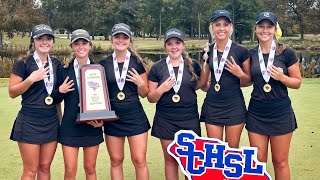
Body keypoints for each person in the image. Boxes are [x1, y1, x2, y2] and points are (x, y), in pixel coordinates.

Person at [246, 12, 301, 180]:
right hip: (257, 113)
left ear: (275, 29)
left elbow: (297, 82)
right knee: (258, 162)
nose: (265, 30)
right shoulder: (251, 54)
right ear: (255, 29)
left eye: (269, 26)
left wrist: (282, 77)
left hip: (281, 113)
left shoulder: (286, 52)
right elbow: (248, 80)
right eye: (261, 26)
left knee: (280, 162)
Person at [147, 28, 201, 180]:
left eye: (177, 43)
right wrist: (162, 89)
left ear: (183, 45)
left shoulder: (194, 65)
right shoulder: (157, 67)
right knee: (170, 159)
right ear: (165, 47)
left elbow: (200, 85)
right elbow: (151, 98)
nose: (174, 47)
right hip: (166, 119)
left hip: (189, 119)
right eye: (170, 44)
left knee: (190, 161)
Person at [8, 24, 61, 179]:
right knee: (31, 170)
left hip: (51, 121)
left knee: (45, 167)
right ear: (33, 41)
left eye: (48, 38)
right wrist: (30, 80)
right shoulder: (23, 63)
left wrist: (60, 120)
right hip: (29, 121)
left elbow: (55, 96)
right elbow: (12, 92)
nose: (44, 42)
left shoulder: (56, 64)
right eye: (40, 38)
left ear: (53, 41)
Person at [99, 23, 150, 180]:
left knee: (139, 160)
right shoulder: (103, 64)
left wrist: (140, 84)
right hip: (112, 118)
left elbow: (145, 93)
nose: (121, 40)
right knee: (116, 160)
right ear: (111, 39)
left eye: (124, 37)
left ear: (130, 40)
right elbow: (99, 94)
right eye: (117, 37)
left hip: (135, 116)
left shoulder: (137, 63)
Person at [52, 29, 104, 180]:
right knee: (70, 170)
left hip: (92, 125)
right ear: (72, 46)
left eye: (84, 43)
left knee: (90, 169)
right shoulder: (63, 70)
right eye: (77, 43)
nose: (81, 47)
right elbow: (55, 98)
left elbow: (106, 98)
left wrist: (102, 120)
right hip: (69, 126)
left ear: (90, 45)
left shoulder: (99, 69)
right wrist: (60, 91)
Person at [199, 10, 251, 148]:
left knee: (231, 151)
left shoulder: (241, 50)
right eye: (217, 24)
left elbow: (249, 81)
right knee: (215, 151)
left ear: (230, 28)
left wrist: (239, 73)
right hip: (213, 105)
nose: (221, 28)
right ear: (212, 28)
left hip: (234, 106)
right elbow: (203, 83)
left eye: (225, 24)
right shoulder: (207, 51)